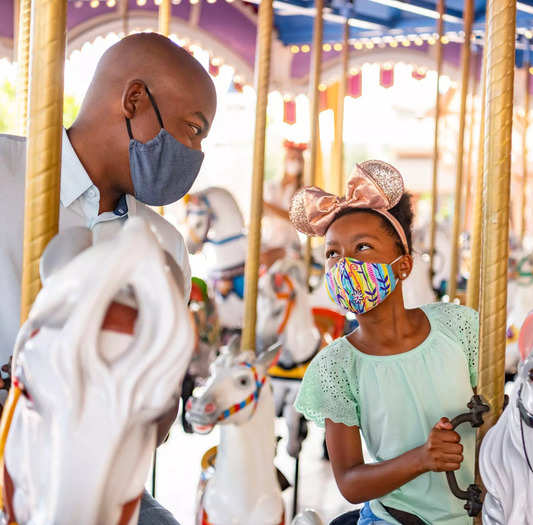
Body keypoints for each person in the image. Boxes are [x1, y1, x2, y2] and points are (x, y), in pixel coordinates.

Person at [0, 33, 217, 524]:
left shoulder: (164, 246)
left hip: (95, 487)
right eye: (192, 129)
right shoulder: (7, 173)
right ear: (134, 100)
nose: (195, 152)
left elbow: (159, 415)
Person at [291, 160, 479, 525]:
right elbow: (349, 481)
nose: (345, 264)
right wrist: (421, 459)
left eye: (362, 247)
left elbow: (495, 421)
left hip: (479, 511)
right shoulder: (337, 366)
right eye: (332, 253)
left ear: (403, 266)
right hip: (395, 517)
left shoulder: (458, 326)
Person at [261, 140, 306, 262]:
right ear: (285, 160)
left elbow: (293, 218)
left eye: (298, 159)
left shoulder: (302, 190)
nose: (295, 162)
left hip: (288, 242)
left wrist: (267, 205)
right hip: (268, 238)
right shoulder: (270, 186)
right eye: (292, 158)